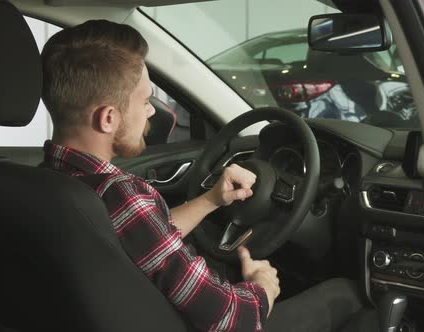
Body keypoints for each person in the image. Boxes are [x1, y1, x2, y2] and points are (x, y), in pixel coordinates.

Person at [41, 19, 372, 332]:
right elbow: (229, 317)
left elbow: (140, 239)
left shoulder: (47, 181)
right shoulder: (121, 193)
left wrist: (211, 199)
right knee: (347, 295)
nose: (152, 110)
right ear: (108, 118)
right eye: (144, 100)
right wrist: (262, 288)